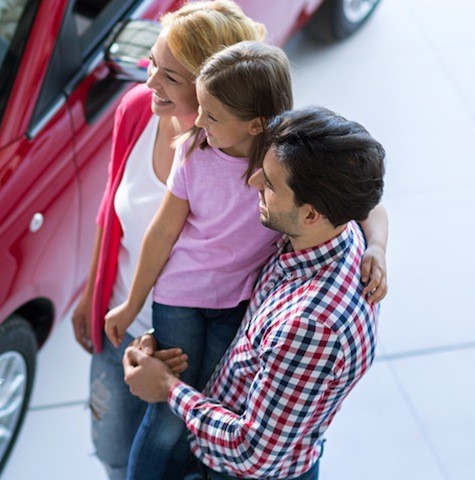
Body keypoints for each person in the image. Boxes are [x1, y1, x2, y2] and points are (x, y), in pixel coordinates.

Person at [71, 3, 388, 479]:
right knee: (116, 445)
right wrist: (99, 294)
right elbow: (112, 210)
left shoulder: (285, 165)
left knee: (174, 428)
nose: (149, 79)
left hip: (219, 335)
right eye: (153, 63)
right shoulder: (162, 124)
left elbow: (243, 436)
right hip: (144, 314)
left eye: (169, 75)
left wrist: (378, 248)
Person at [122, 105, 386, 480]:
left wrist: (165, 387)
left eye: (271, 184)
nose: (253, 181)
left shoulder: (313, 326)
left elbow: (250, 452)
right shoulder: (323, 229)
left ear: (311, 213)